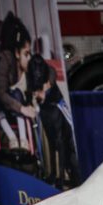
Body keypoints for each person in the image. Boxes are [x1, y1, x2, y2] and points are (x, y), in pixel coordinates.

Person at [25, 55, 81, 188]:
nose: (37, 71)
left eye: (40, 67)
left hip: (55, 107)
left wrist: (46, 89)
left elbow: (51, 74)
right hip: (47, 109)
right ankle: (53, 174)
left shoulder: (49, 72)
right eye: (35, 67)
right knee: (51, 141)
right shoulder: (30, 78)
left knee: (61, 142)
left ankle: (61, 176)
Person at [0, 13, 37, 150]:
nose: (29, 58)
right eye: (26, 54)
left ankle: (24, 139)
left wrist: (32, 105)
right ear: (17, 53)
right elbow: (1, 93)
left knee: (17, 93)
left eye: (30, 53)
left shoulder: (28, 67)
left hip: (14, 101)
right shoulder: (5, 60)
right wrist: (22, 109)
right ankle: (12, 137)